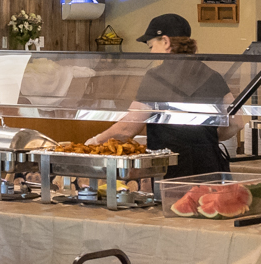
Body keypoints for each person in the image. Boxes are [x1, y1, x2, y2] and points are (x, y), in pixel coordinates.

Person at [88, 13, 230, 174]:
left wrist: (94, 142)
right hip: (211, 167)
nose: (151, 52)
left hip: (172, 169)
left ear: (165, 41)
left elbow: (128, 127)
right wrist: (203, 140)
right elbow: (236, 123)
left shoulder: (157, 77)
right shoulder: (212, 75)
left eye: (151, 46)